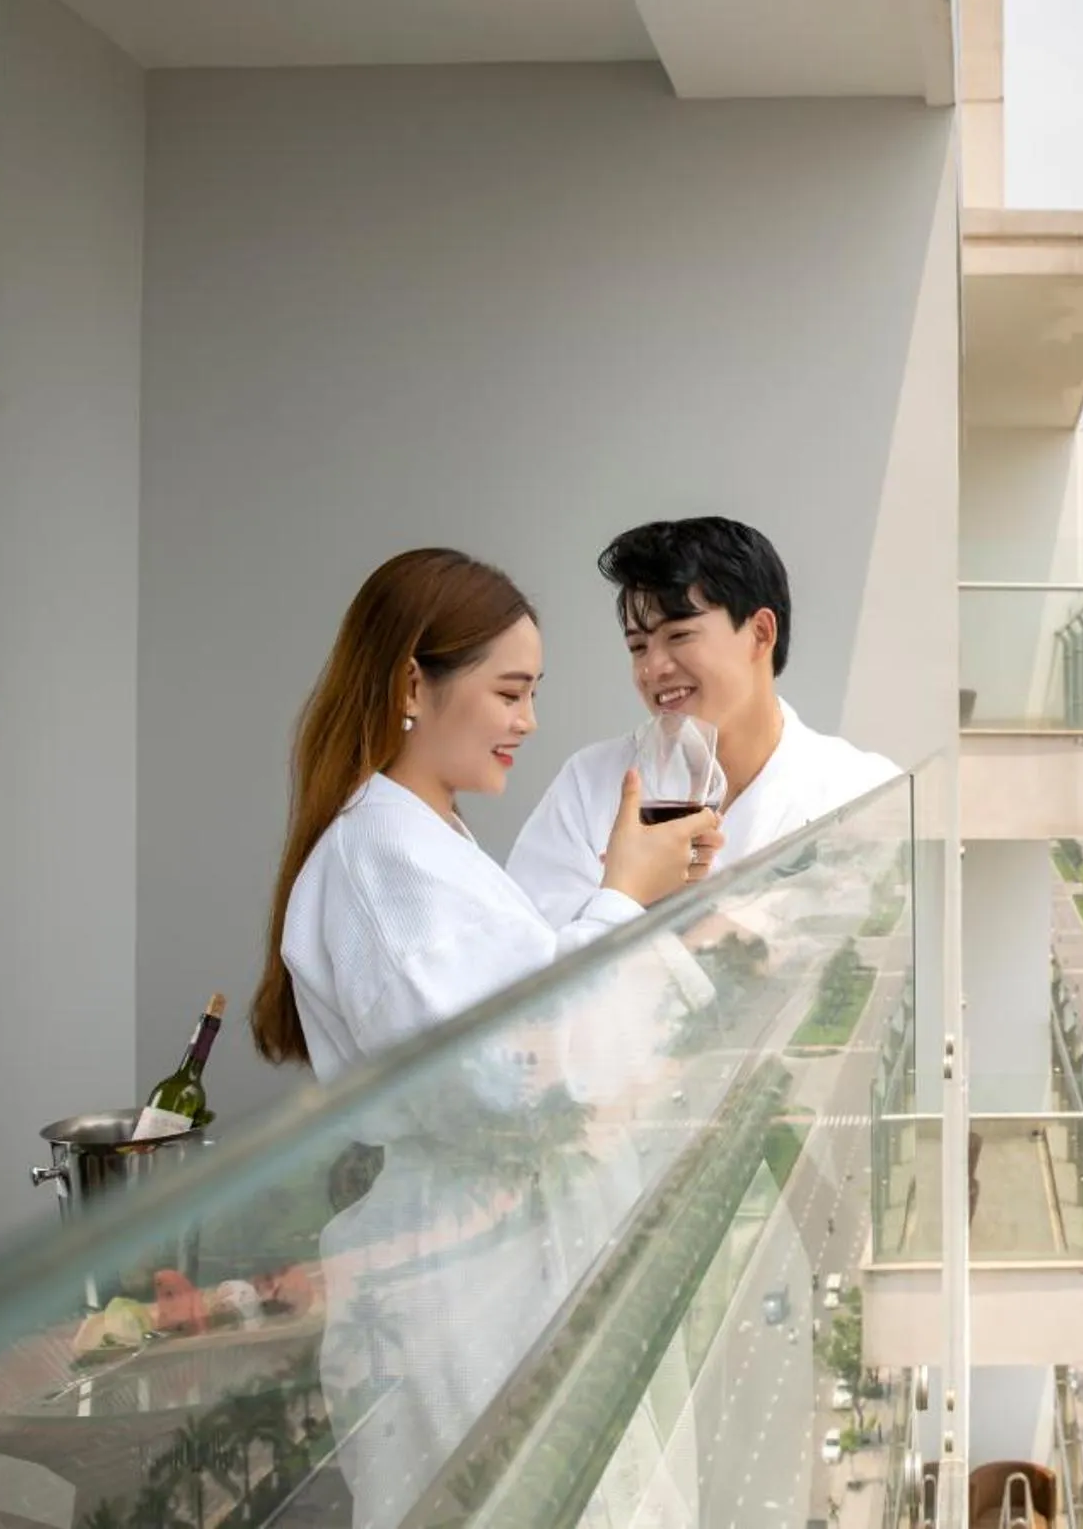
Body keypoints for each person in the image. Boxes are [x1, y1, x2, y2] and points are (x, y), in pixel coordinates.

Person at [251, 549, 720, 1529]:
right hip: (466, 1295)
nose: (528, 723)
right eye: (510, 693)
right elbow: (508, 1087)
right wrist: (620, 897)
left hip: (504, 1269)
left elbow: (526, 1030)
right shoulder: (381, 858)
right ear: (411, 684)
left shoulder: (429, 841)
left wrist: (636, 898)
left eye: (532, 694)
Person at [508, 517, 899, 926]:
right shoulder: (590, 785)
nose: (653, 668)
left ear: (761, 633)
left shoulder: (859, 792)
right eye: (638, 646)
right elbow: (530, 953)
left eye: (678, 636)